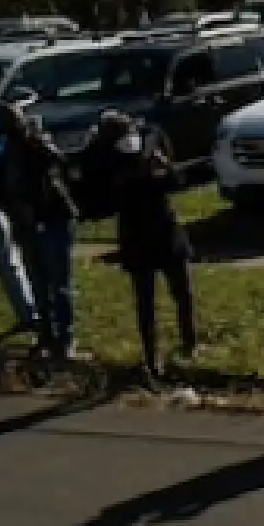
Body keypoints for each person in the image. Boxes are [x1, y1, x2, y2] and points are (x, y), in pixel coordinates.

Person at [102, 112, 198, 386]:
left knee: (183, 291)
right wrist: (145, 170)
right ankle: (151, 357)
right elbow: (115, 191)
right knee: (145, 302)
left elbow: (176, 181)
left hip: (166, 230)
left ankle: (190, 343)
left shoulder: (151, 144)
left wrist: (165, 166)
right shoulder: (110, 161)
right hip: (137, 236)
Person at [0, 102, 80, 361]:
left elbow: (58, 160)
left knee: (59, 284)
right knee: (39, 285)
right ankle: (46, 335)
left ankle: (65, 338)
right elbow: (5, 190)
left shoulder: (38, 145)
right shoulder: (6, 153)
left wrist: (38, 140)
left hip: (53, 218)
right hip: (27, 225)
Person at [0, 105, 40, 340]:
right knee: (9, 263)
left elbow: (0, 162)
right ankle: (30, 314)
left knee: (9, 263)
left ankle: (30, 314)